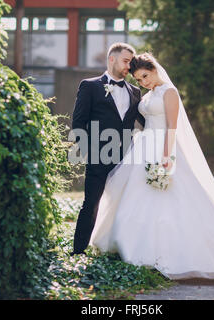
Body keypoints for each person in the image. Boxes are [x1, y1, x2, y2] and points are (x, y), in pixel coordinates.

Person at [89, 52, 214, 282]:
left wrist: (167, 156)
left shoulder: (169, 92)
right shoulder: (149, 95)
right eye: (139, 80)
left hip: (163, 147)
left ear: (155, 69)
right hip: (144, 148)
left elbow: (171, 127)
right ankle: (132, 250)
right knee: (134, 198)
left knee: (171, 199)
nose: (144, 82)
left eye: (146, 76)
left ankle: (173, 256)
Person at [70, 42, 146, 255]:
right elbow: (78, 123)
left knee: (126, 206)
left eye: (131, 62)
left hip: (127, 160)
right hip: (98, 157)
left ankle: (121, 250)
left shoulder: (135, 91)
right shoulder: (90, 86)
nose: (129, 67)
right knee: (91, 204)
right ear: (111, 59)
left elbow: (145, 122)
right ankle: (78, 252)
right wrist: (90, 154)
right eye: (126, 61)